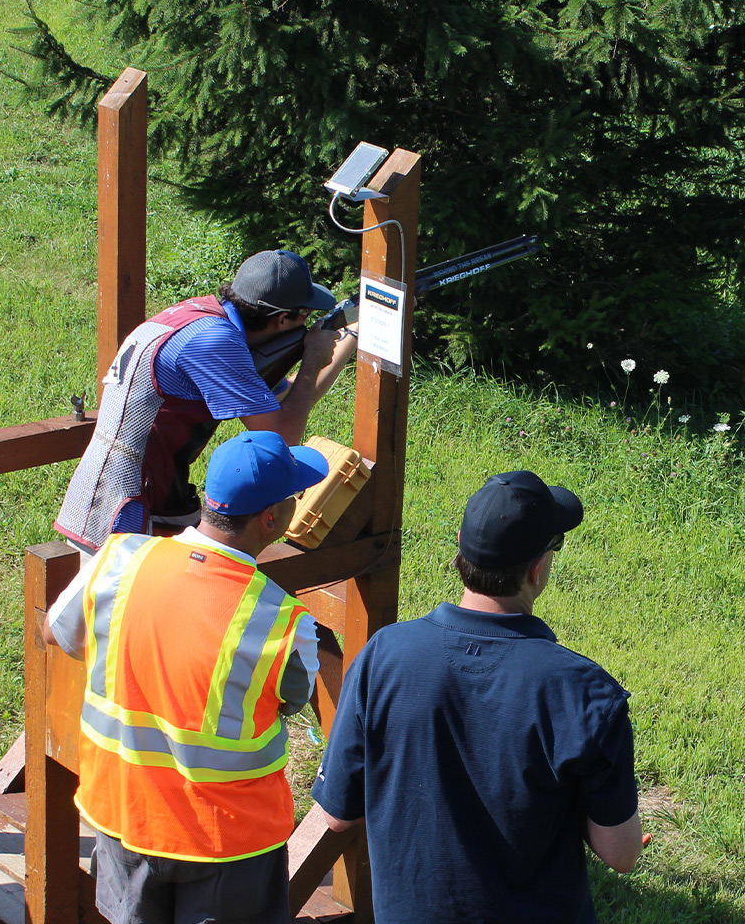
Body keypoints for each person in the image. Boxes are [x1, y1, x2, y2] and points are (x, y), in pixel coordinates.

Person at [311, 471, 642, 924]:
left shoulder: (383, 655)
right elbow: (620, 854)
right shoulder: (585, 693)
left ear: (460, 549)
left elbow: (336, 815)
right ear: (537, 568)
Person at [43, 430, 331, 924]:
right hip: (229, 843)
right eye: (293, 498)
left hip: (123, 815)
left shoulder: (117, 560)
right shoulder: (284, 622)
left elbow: (54, 632)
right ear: (270, 519)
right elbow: (290, 698)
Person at [56, 249, 360, 555]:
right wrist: (309, 363)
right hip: (126, 513)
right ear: (282, 320)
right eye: (303, 317)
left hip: (123, 495)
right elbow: (281, 437)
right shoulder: (216, 343)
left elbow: (289, 402)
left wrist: (351, 336)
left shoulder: (203, 318)